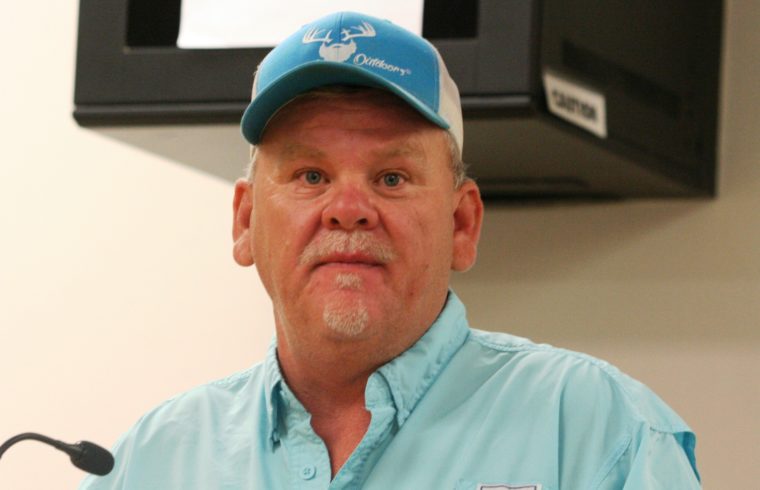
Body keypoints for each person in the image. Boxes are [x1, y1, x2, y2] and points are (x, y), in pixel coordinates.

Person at [80, 11, 700, 489]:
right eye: (310, 176)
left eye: (392, 178)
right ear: (244, 221)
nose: (348, 208)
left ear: (462, 223)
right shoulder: (146, 464)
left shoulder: (599, 432)